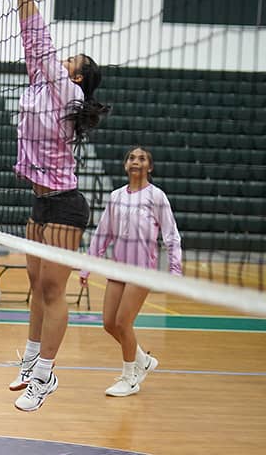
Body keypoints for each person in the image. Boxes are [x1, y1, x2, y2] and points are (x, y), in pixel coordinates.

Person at [8, 0, 110, 412]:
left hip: (67, 205)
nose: (60, 59)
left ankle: (46, 375)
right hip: (41, 202)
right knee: (35, 283)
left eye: (71, 60)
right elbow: (32, 43)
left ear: (79, 76)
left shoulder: (67, 93)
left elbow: (42, 42)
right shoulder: (40, 85)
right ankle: (31, 359)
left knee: (53, 290)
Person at [80, 146, 182, 397]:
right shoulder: (116, 196)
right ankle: (143, 360)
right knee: (109, 323)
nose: (136, 161)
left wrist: (175, 270)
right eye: (132, 158)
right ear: (126, 165)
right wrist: (87, 266)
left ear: (150, 167)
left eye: (142, 158)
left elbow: (171, 235)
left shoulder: (156, 196)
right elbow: (103, 233)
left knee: (123, 323)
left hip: (141, 271)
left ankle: (130, 378)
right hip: (118, 268)